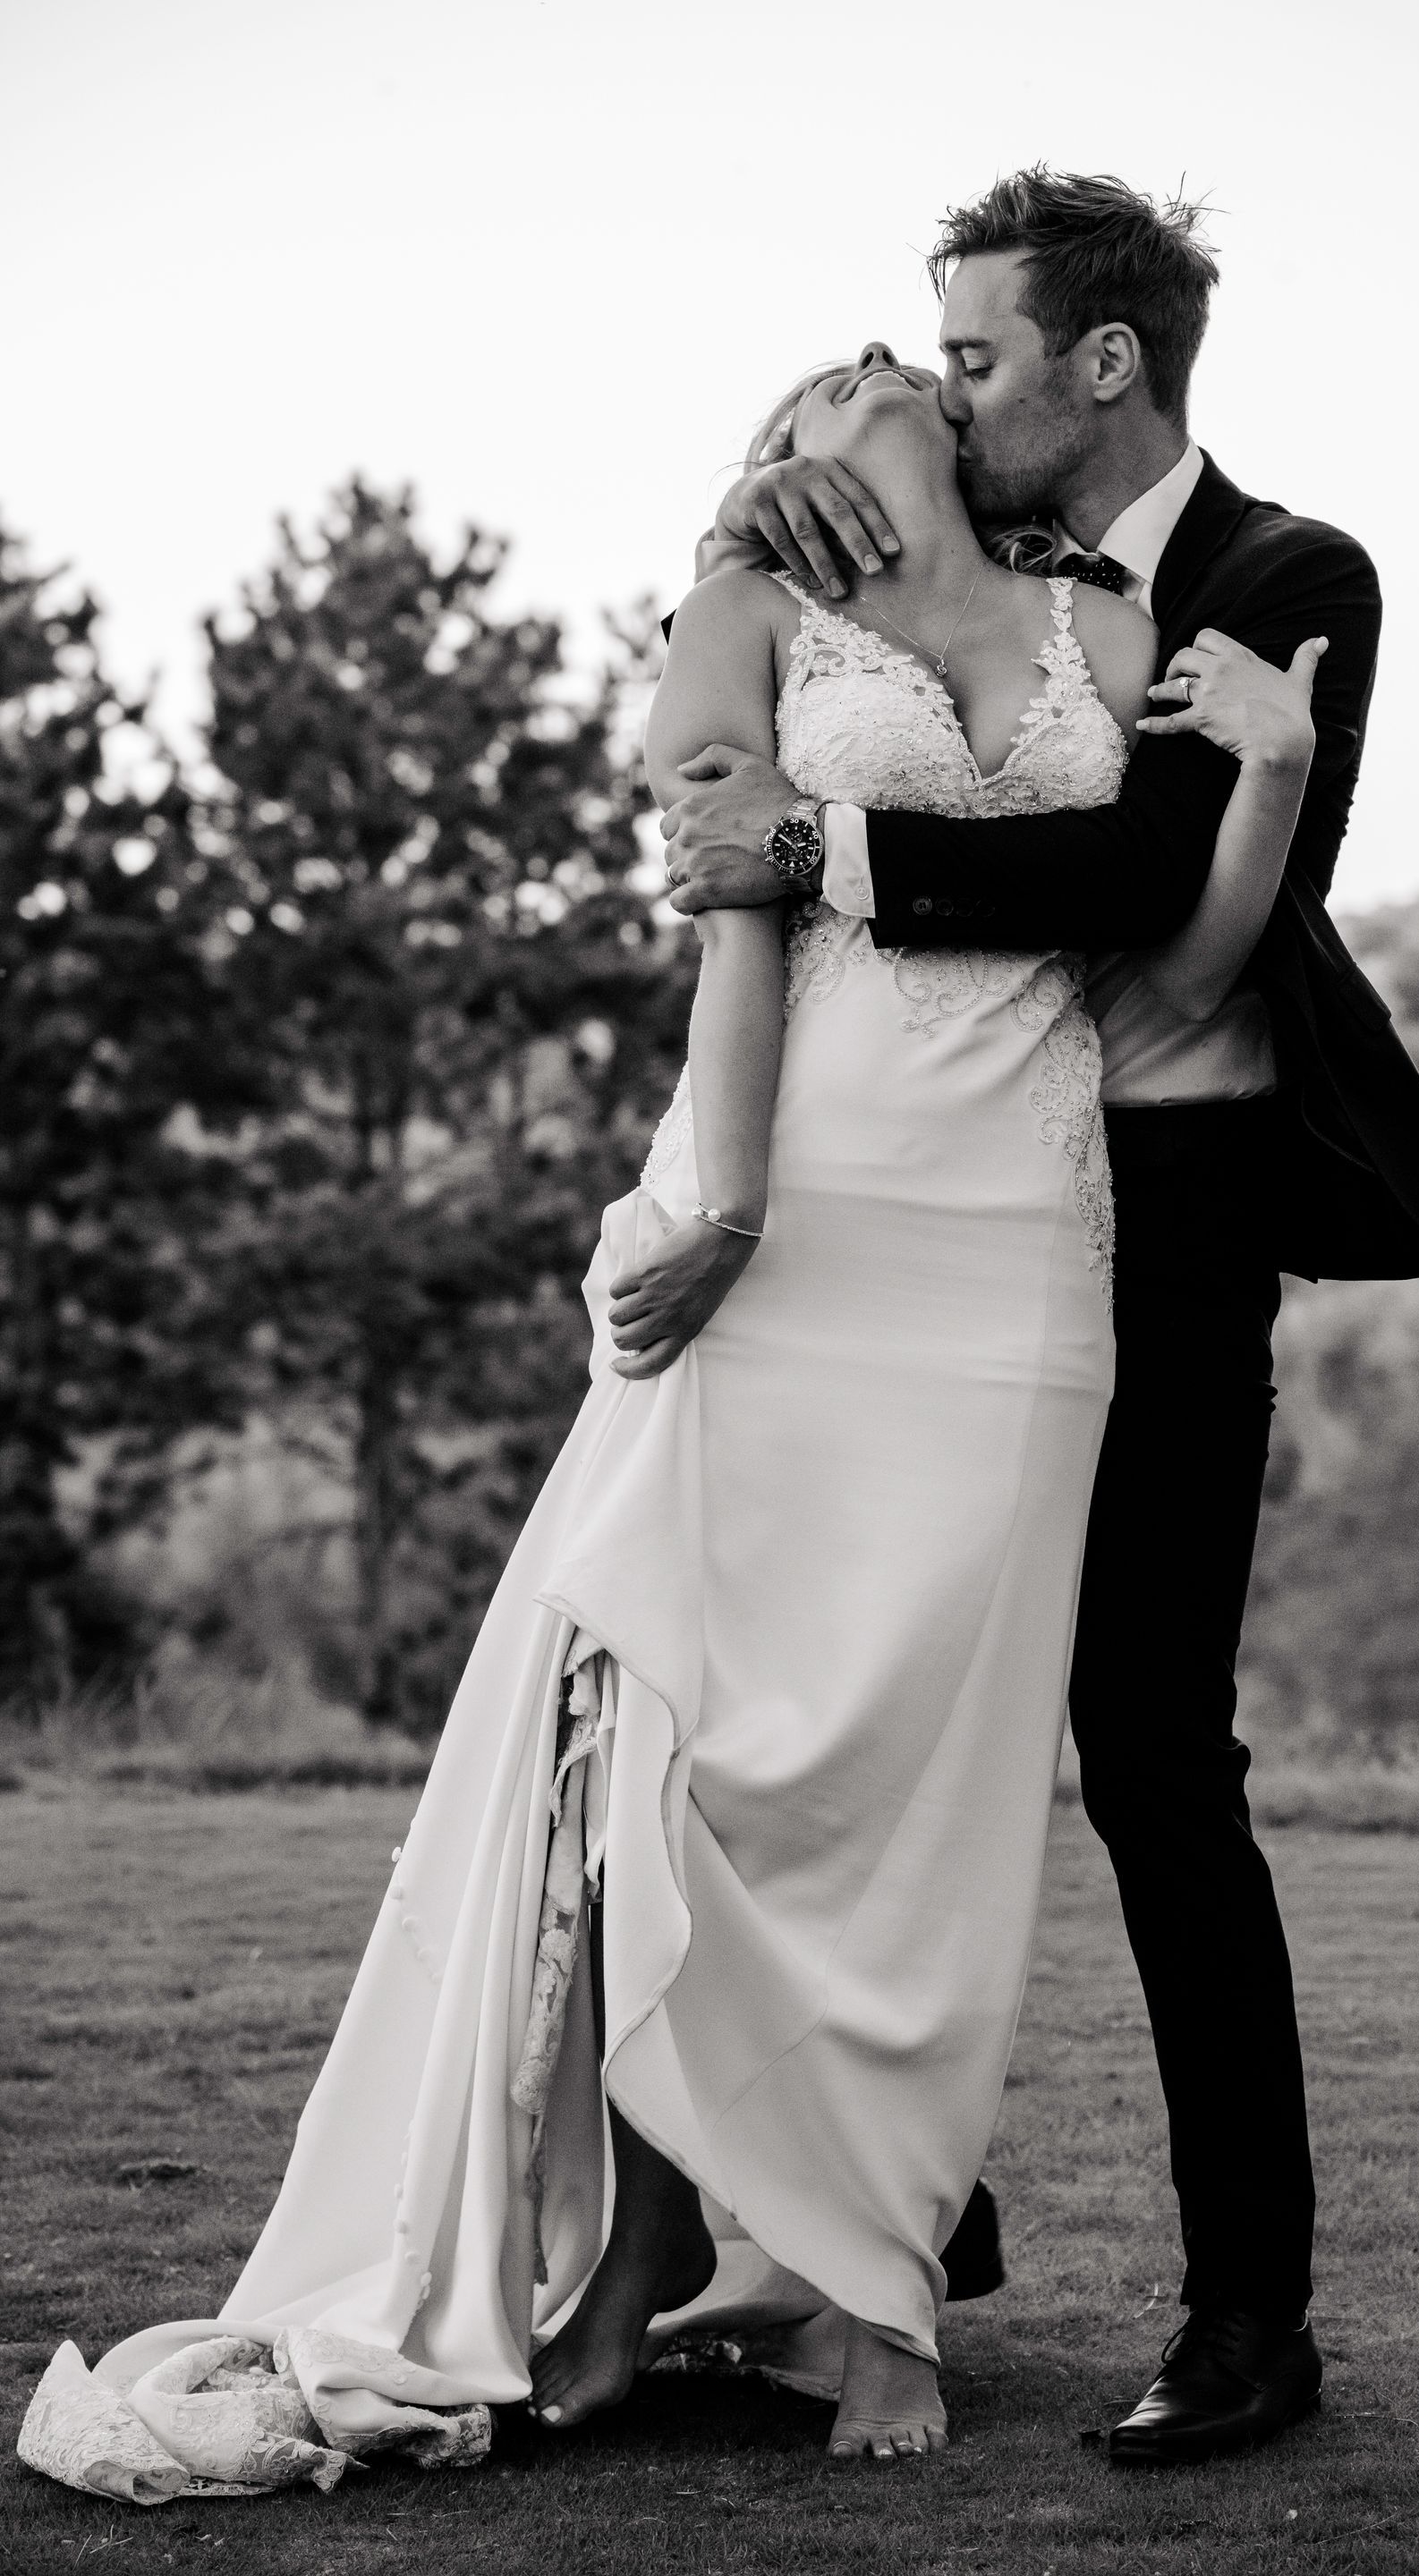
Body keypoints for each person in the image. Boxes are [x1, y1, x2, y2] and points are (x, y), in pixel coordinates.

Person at [17, 345, 1323, 2504]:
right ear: (783, 457)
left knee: (930, 1792)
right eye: (823, 394)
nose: (867, 391)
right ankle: (627, 2257)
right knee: (670, 1748)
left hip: (1020, 1252)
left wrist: (1265, 779)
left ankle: (881, 2290)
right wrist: (720, 1204)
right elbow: (736, 917)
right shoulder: (740, 618)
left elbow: (1170, 950)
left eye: (913, 364)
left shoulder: (1111, 628)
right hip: (797, 1210)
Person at [663, 168, 1419, 2470]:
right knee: (852, 1722)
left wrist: (816, 851)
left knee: (1150, 1760)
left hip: (1163, 1235)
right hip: (914, 1229)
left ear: (1100, 363)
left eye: (977, 356)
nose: (947, 388)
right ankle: (868, 2227)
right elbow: (834, 692)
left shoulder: (1283, 580)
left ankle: (1252, 2315)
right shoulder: (942, 568)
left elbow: (1153, 888)